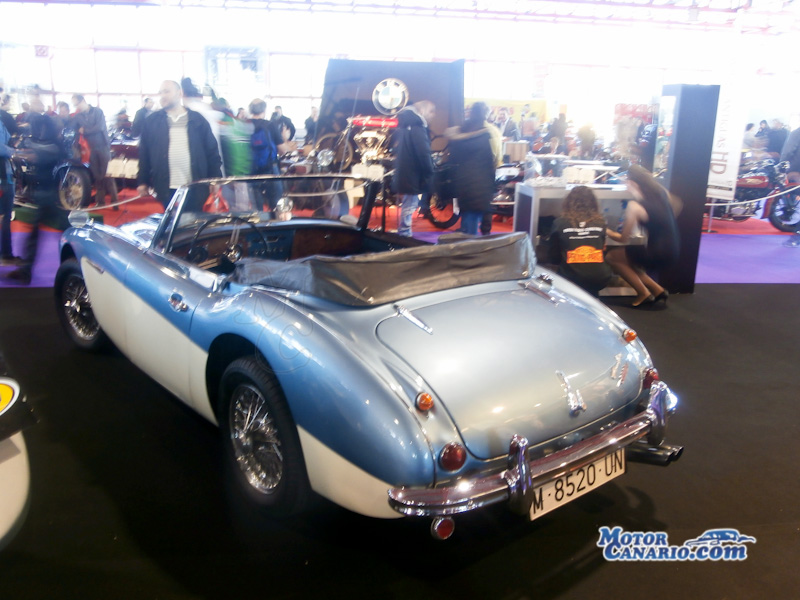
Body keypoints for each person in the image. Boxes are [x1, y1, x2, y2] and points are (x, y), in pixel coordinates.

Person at [137, 80, 222, 208]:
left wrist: (215, 178)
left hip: (195, 186)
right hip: (165, 187)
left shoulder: (197, 120)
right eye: (161, 92)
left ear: (179, 93)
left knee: (194, 219)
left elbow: (212, 152)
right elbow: (144, 154)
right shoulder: (152, 122)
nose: (162, 96)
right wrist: (142, 181)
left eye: (167, 91)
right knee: (171, 219)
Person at [605, 164, 679, 307]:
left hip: (656, 253)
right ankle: (657, 290)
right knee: (628, 257)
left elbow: (623, 238)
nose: (625, 185)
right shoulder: (662, 193)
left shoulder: (634, 206)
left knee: (613, 256)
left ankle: (643, 293)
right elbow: (678, 204)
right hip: (673, 249)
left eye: (626, 182)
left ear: (633, 183)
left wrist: (605, 230)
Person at [444, 101, 503, 235]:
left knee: (468, 221)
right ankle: (481, 236)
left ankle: (468, 239)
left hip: (463, 182)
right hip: (482, 182)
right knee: (476, 219)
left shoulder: (461, 131)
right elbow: (496, 157)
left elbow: (453, 157)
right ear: (486, 114)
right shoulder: (491, 133)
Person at [548, 186, 613, 296]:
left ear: (568, 203)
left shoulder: (559, 223)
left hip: (570, 278)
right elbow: (602, 249)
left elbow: (554, 256)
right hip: (600, 277)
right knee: (590, 290)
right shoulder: (600, 223)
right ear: (593, 203)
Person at [391, 100, 436, 237]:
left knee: (407, 203)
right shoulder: (417, 126)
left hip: (404, 170)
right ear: (423, 111)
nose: (433, 115)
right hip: (413, 173)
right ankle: (405, 233)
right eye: (431, 112)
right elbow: (423, 152)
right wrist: (429, 170)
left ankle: (404, 231)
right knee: (409, 205)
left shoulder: (405, 125)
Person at [72, 94, 118, 207]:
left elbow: (100, 127)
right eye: (75, 105)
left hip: (103, 146)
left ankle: (115, 201)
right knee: (97, 176)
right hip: (90, 148)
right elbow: (75, 130)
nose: (77, 107)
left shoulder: (98, 111)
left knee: (108, 174)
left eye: (77, 104)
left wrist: (85, 131)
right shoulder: (78, 116)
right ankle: (100, 201)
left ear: (83, 101)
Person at [249, 98, 293, 209]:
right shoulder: (269, 125)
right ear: (264, 110)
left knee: (256, 207)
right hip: (270, 170)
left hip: (251, 171)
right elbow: (283, 150)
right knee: (276, 204)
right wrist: (285, 138)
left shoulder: (243, 125)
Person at [0, 118, 20, 266]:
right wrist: (14, 151)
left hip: (5, 176)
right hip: (3, 177)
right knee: (4, 216)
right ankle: (5, 255)